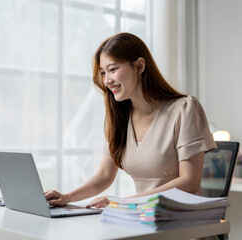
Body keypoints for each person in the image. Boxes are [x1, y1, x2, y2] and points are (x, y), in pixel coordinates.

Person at [45, 32, 216, 209]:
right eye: (103, 73)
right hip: (141, 216)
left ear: (139, 66)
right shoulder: (119, 117)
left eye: (112, 69)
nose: (107, 80)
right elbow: (104, 175)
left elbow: (189, 182)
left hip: (182, 219)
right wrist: (67, 197)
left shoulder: (185, 108)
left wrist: (125, 202)